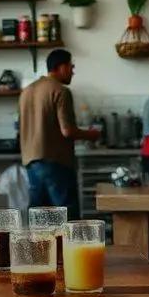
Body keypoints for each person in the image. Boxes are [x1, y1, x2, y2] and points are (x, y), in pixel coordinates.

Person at [19, 49, 99, 219]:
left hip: (31, 163)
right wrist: (91, 135)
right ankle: (69, 247)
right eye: (71, 66)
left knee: (39, 220)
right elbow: (67, 131)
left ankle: (39, 247)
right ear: (60, 67)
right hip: (56, 163)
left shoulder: (26, 92)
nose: (73, 71)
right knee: (67, 219)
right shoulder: (60, 91)